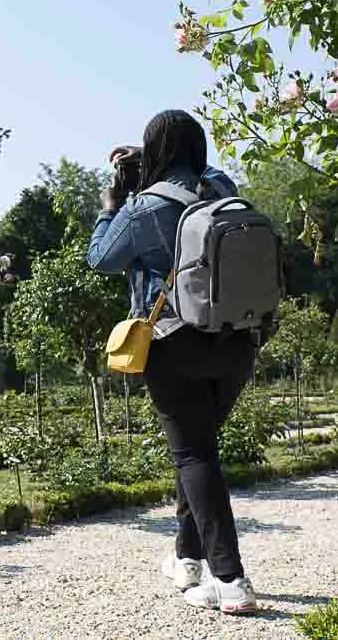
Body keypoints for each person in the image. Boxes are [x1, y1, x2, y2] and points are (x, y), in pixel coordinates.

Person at [85, 109, 259, 615]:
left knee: (195, 457)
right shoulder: (224, 188)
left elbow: (101, 258)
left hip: (174, 343)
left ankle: (231, 580)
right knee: (199, 449)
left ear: (152, 151)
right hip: (238, 342)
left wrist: (111, 203)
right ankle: (186, 558)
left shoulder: (143, 208)